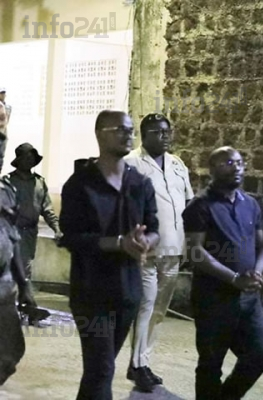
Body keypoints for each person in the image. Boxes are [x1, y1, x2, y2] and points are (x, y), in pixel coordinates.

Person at [58, 110, 160, 400]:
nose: (128, 135)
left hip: (128, 291)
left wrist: (144, 242)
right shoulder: (79, 184)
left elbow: (154, 228)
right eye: (120, 129)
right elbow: (72, 237)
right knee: (102, 369)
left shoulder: (140, 183)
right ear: (100, 134)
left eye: (130, 130)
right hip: (91, 293)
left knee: (99, 369)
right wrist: (118, 243)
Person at [183, 146, 263, 400]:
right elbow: (196, 252)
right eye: (228, 163)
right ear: (212, 169)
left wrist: (256, 273)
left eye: (240, 163)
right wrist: (233, 279)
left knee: (258, 355)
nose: (237, 168)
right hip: (213, 299)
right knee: (211, 364)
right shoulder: (200, 206)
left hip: (248, 299)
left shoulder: (250, 204)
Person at [124, 113, 194, 391]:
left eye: (167, 132)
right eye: (157, 132)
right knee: (146, 306)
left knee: (159, 310)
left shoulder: (177, 164)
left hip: (174, 248)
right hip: (146, 250)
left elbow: (188, 202)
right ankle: (138, 365)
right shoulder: (131, 163)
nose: (165, 137)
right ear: (144, 135)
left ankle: (142, 361)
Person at [0, 175, 36, 386]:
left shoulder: (6, 190)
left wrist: (24, 285)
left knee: (11, 351)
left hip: (4, 287)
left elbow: (13, 240)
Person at [7, 143, 62, 281]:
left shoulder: (39, 183)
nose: (30, 160)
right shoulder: (7, 181)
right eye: (27, 157)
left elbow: (47, 210)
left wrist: (57, 229)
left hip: (29, 235)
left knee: (25, 272)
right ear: (19, 160)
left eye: (32, 157)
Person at [0, 87, 12, 172]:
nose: (3, 95)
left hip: (3, 132)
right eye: (1, 93)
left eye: (4, 93)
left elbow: (6, 120)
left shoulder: (7, 107)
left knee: (1, 155)